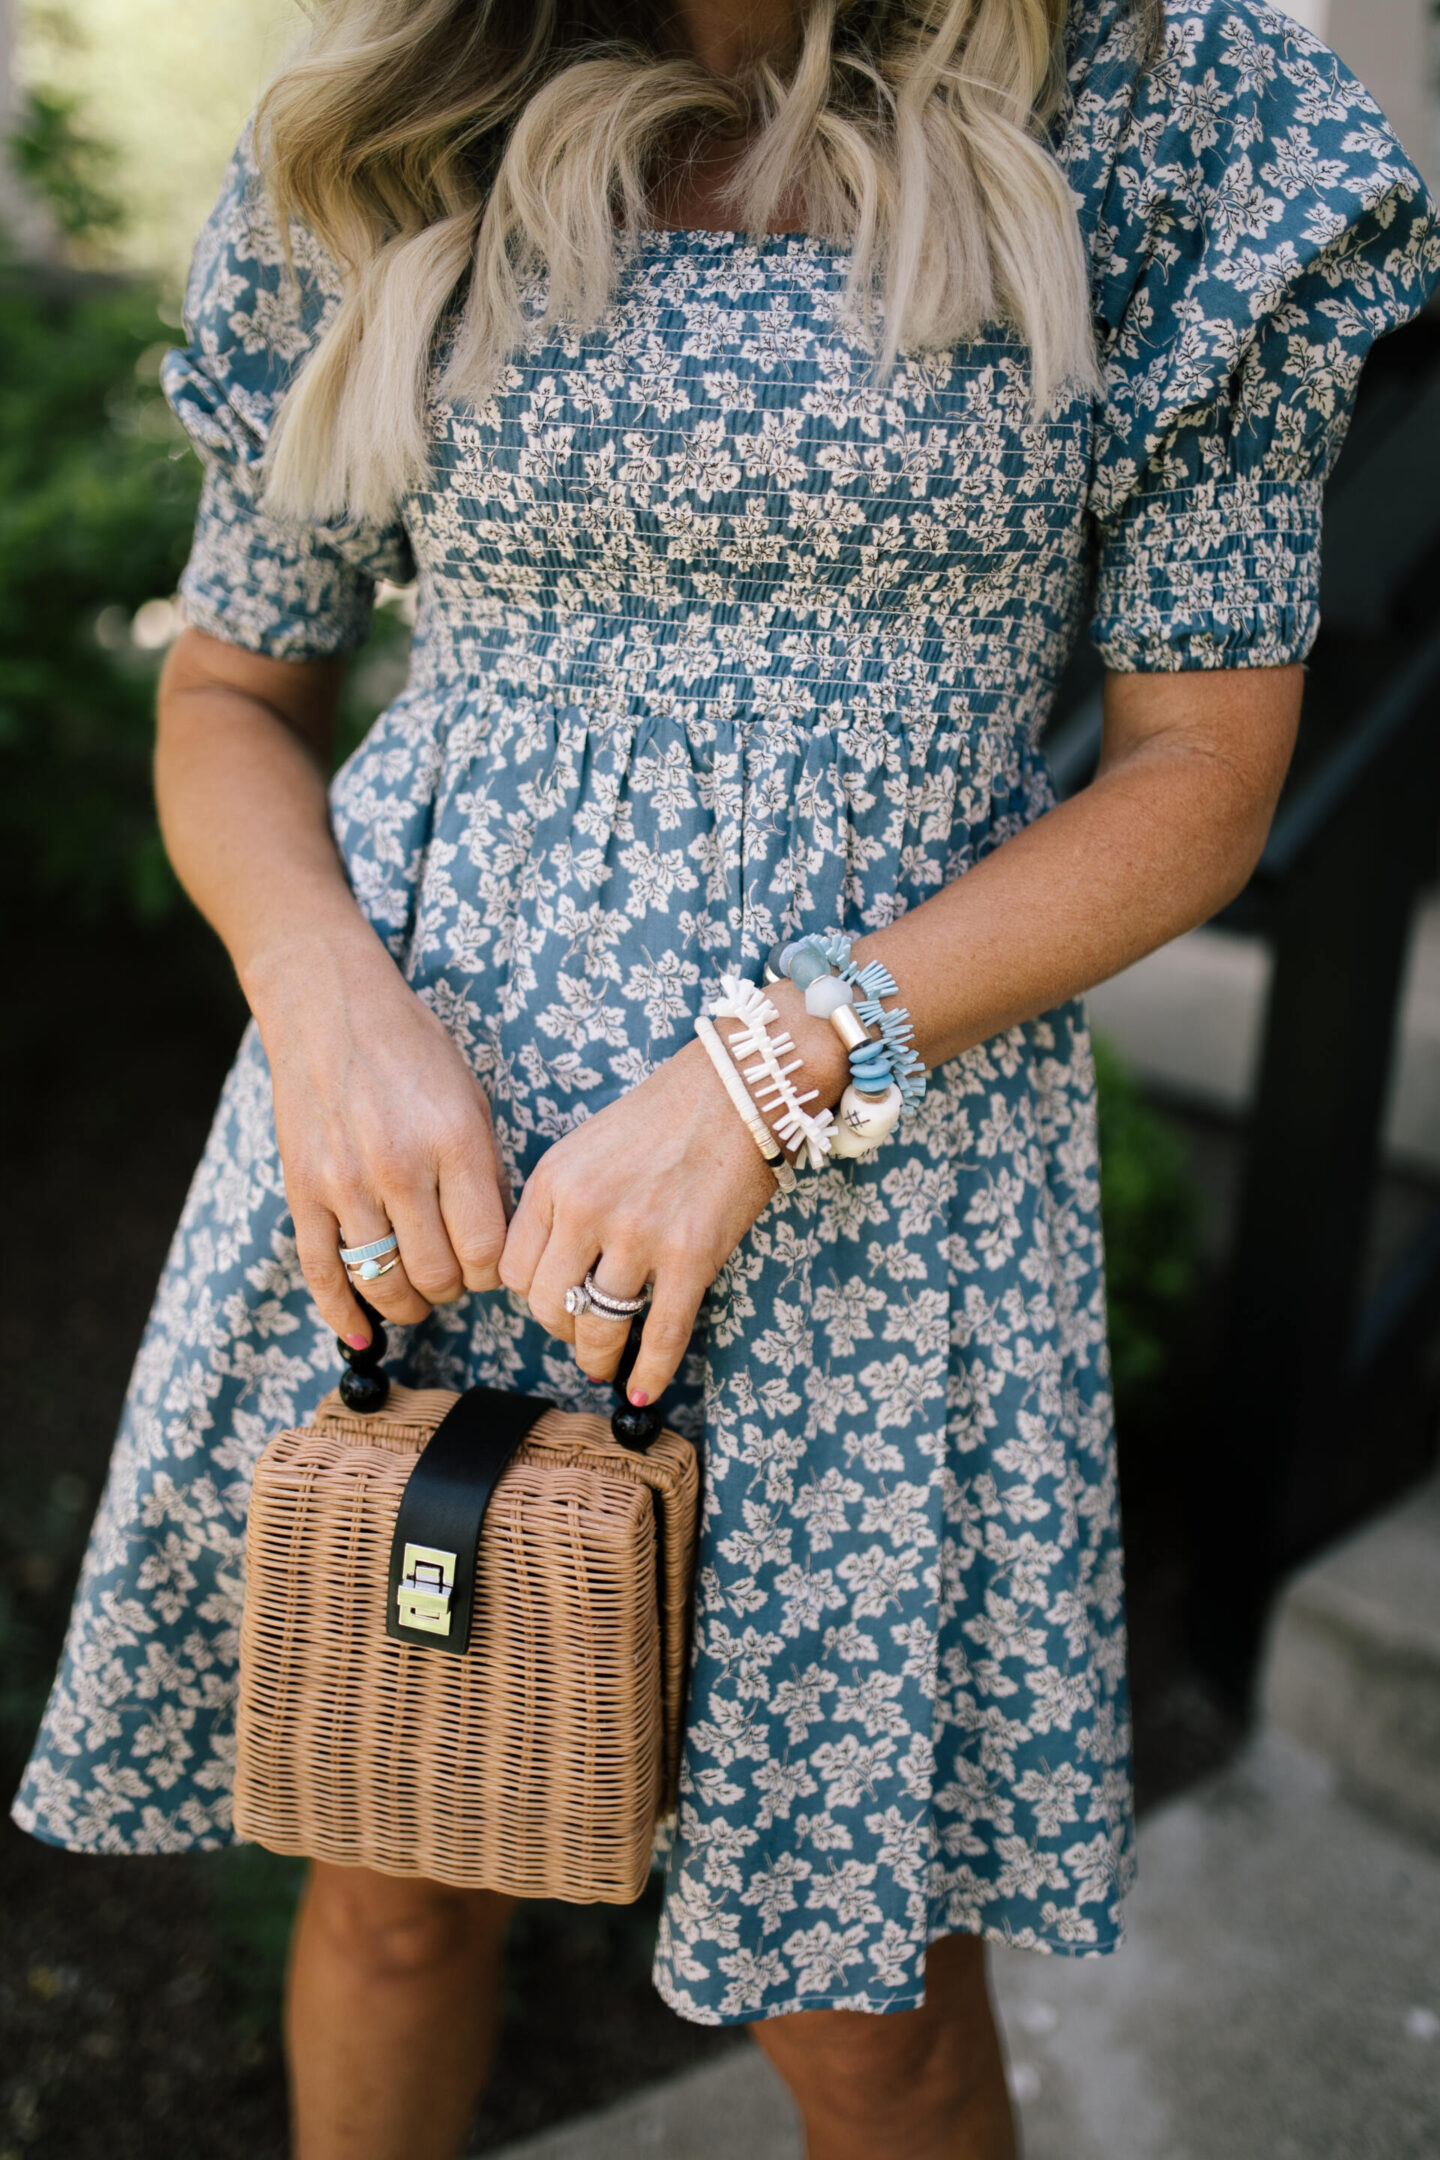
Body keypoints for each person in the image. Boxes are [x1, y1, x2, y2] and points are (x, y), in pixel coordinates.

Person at [14, 0, 1438, 2153]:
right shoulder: (407, 105)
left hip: (868, 1201)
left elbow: (1202, 779)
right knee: (394, 1880)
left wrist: (769, 1077)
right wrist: (327, 1009)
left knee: (857, 2011)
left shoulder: (1173, 108)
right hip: (409, 1166)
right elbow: (229, 686)